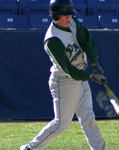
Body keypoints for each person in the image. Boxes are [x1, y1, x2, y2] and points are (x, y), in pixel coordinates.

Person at [20, 0, 107, 150]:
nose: (70, 17)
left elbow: (87, 40)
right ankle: (30, 148)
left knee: (88, 118)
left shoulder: (72, 23)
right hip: (64, 82)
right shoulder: (52, 40)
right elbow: (69, 70)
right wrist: (91, 77)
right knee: (61, 125)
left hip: (80, 79)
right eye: (65, 15)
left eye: (70, 14)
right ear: (55, 16)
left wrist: (95, 64)